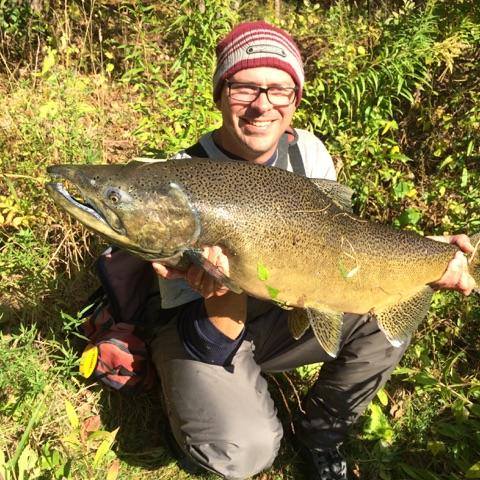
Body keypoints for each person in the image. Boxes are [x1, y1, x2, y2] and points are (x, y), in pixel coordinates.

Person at [148, 21, 476, 480]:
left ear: (295, 101)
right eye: (245, 87)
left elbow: (350, 243)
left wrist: (429, 254)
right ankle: (192, 413)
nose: (262, 105)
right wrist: (223, 283)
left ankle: (321, 433)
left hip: (282, 309)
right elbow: (211, 334)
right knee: (242, 453)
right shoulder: (180, 178)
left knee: (391, 313)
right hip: (207, 325)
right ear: (221, 92)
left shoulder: (308, 154)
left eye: (279, 90)